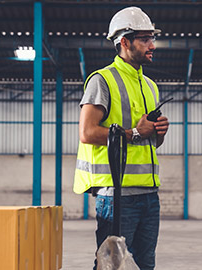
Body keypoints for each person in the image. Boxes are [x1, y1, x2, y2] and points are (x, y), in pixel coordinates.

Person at [73, 6, 169, 270]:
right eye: (145, 39)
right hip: (116, 196)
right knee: (112, 266)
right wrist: (137, 132)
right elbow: (87, 132)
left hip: (149, 194)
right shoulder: (102, 80)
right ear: (124, 42)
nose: (152, 45)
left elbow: (150, 142)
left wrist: (158, 132)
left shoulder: (150, 86)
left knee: (145, 264)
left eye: (152, 38)